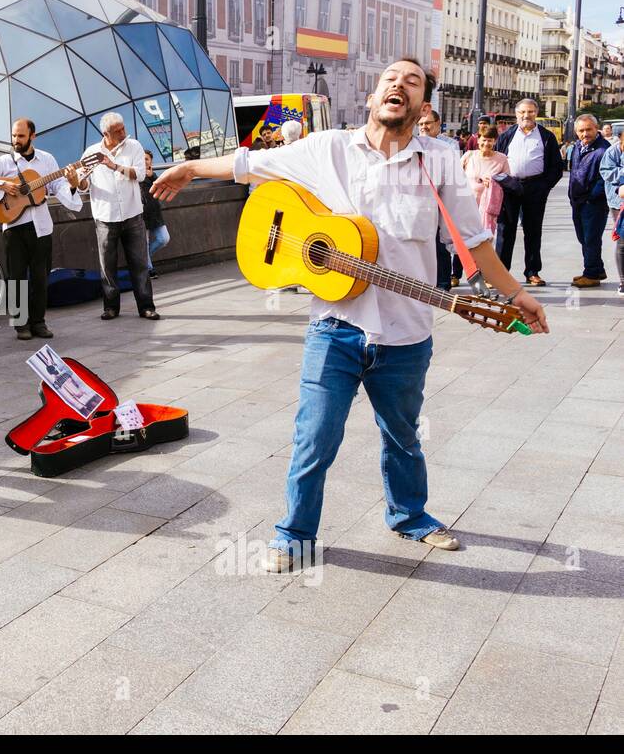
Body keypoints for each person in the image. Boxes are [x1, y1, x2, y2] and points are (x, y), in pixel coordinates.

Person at [152, 58, 548, 572]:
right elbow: (248, 165)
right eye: (389, 79)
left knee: (403, 434)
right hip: (334, 326)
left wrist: (516, 294)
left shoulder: (443, 158)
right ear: (371, 97)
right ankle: (293, 536)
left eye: (410, 82)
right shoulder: (329, 149)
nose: (397, 86)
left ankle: (410, 516)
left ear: (422, 103)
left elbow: (471, 240)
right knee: (314, 436)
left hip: (407, 331)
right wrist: (189, 168)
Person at [0, 118, 84, 340]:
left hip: (41, 227)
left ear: (33, 136)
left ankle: (39, 322)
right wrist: (1, 184)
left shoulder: (47, 160)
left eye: (21, 136)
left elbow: (58, 187)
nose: (16, 140)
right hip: (14, 226)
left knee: (41, 277)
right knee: (17, 277)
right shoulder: (4, 162)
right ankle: (20, 325)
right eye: (14, 136)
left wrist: (71, 184)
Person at [84, 112, 159, 321]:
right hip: (105, 217)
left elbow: (141, 174)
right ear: (106, 133)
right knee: (107, 266)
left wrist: (114, 165)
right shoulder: (91, 152)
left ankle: (146, 306)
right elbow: (83, 184)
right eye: (118, 131)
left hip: (132, 213)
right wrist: (75, 180)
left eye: (123, 128)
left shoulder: (134, 146)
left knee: (140, 264)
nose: (123, 132)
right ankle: (110, 308)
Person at [493, 99, 565, 286]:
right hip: (509, 188)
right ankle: (501, 273)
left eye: (531, 112)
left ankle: (532, 272)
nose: (526, 116)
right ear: (517, 114)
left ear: (536, 113)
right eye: (523, 112)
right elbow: (496, 160)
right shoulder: (506, 136)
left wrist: (544, 187)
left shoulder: (546, 136)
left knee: (533, 231)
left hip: (535, 188)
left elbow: (557, 167)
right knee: (504, 231)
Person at [566, 113, 611, 289]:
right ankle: (597, 269)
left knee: (591, 238)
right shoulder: (578, 146)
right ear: (576, 132)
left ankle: (591, 274)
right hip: (578, 200)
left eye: (589, 130)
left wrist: (591, 197)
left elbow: (604, 178)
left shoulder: (604, 150)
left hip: (594, 203)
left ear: (596, 128)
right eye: (581, 131)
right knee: (583, 237)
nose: (585, 134)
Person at [418, 108, 462, 287]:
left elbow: (454, 173)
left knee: (441, 242)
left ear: (437, 124)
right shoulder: (414, 142)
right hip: (421, 199)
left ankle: (443, 282)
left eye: (427, 123)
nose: (424, 127)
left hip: (442, 197)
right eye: (420, 124)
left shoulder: (450, 145)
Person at [461, 127, 509, 236]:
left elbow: (507, 181)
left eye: (490, 140)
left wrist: (495, 183)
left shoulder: (502, 159)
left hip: (488, 209)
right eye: (484, 139)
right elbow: (455, 177)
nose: (486, 143)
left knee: (483, 241)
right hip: (466, 206)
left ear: (495, 141)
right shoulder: (469, 156)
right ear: (478, 140)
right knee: (465, 240)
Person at [600, 128, 624, 294]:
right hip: (619, 202)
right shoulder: (613, 151)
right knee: (623, 242)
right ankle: (623, 281)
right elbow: (606, 172)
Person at [140, 149, 169, 277]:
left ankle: (147, 257)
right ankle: (149, 269)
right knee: (144, 243)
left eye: (146, 159)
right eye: (142, 159)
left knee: (164, 239)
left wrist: (152, 176)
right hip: (141, 215)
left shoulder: (154, 176)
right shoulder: (135, 175)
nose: (144, 161)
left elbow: (161, 187)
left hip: (155, 214)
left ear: (150, 161)